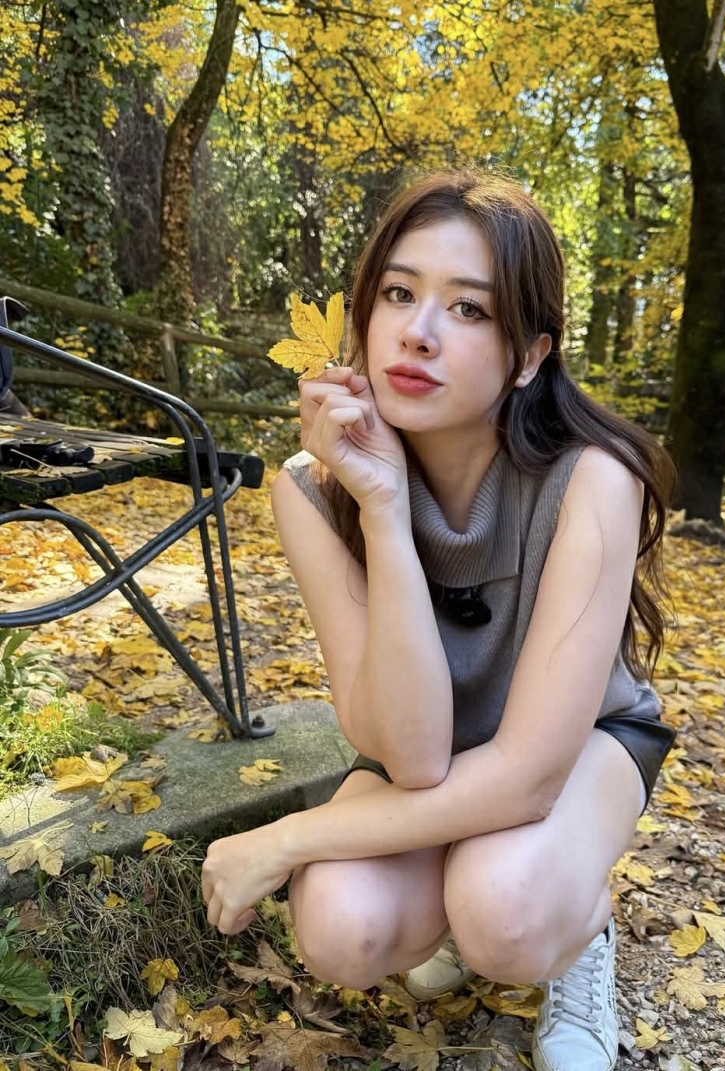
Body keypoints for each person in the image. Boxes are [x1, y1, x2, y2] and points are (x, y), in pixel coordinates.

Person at [202, 169, 677, 1071]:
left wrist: (284, 838)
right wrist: (383, 507)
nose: (418, 331)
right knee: (340, 927)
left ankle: (580, 929)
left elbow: (529, 775)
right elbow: (411, 757)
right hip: (431, 749)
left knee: (506, 909)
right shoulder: (309, 492)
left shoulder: (591, 479)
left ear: (529, 354)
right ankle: (468, 887)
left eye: (468, 308)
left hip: (578, 747)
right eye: (398, 292)